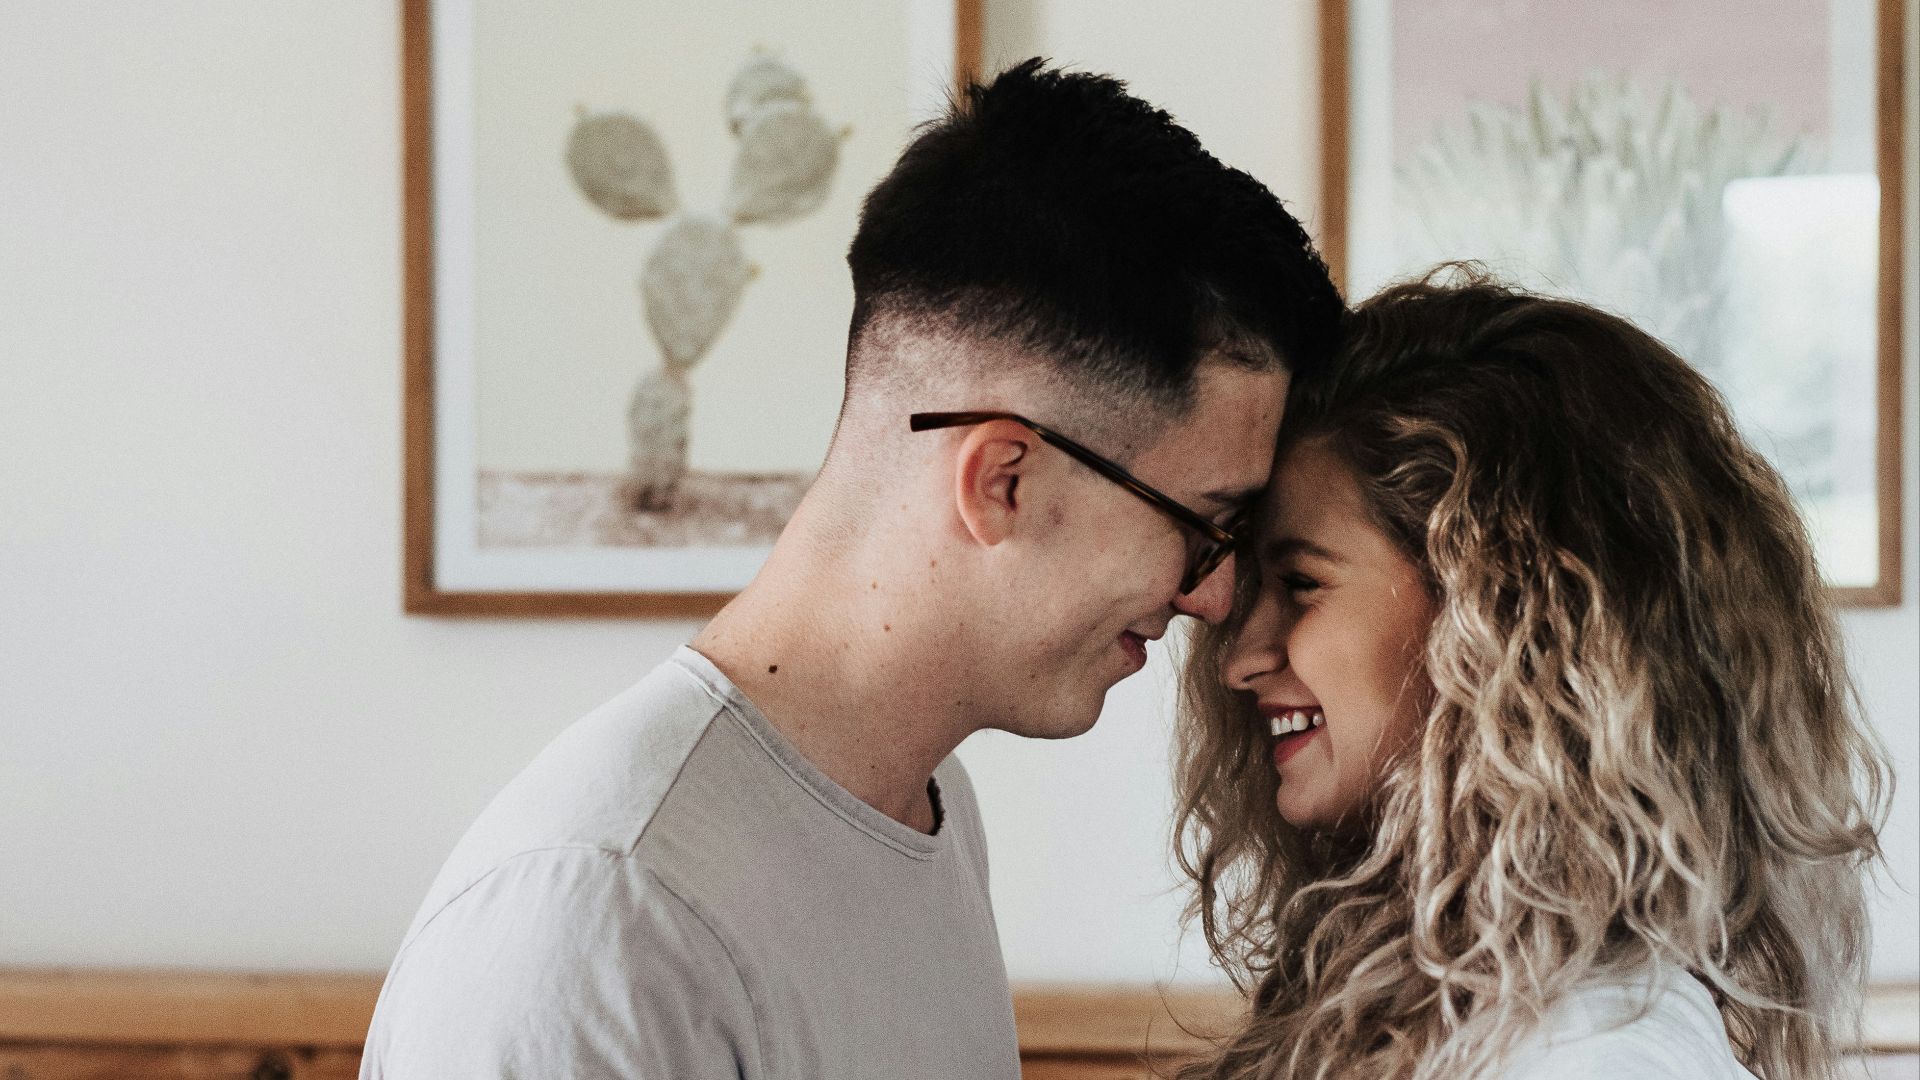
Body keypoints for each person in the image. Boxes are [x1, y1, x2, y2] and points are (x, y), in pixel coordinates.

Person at [360, 59, 1342, 1079]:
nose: (1213, 596)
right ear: (1002, 480)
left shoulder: (928, 806)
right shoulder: (598, 929)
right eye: (1204, 524)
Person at [1172, 272, 1890, 1080]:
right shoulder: (1464, 1004)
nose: (1238, 659)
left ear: (1500, 613)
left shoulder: (1592, 1051)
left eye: (1301, 583)